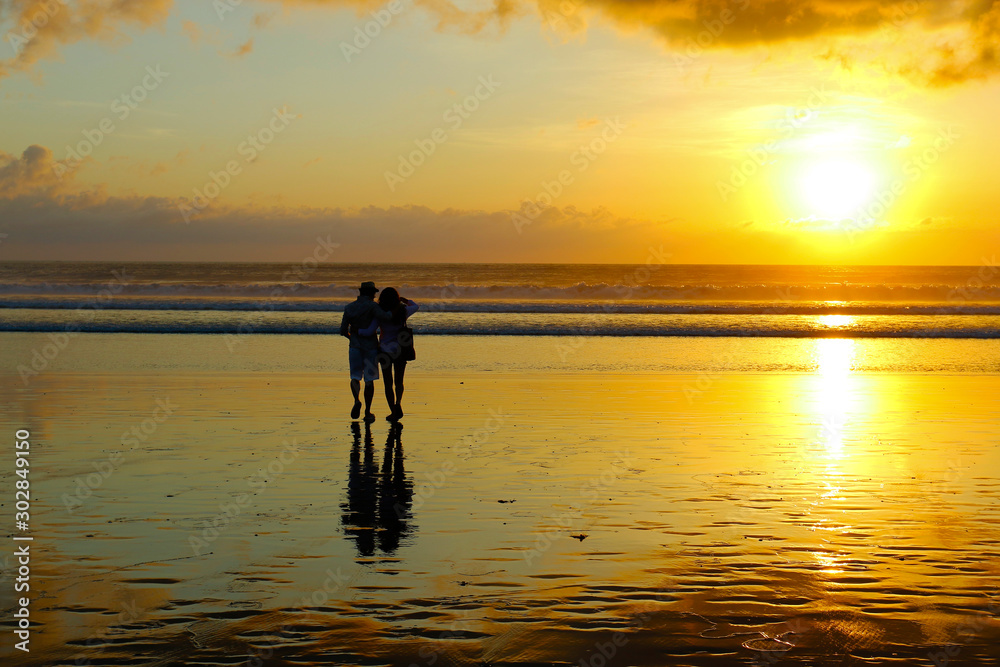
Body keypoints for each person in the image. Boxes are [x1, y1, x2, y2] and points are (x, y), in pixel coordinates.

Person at [359, 287, 419, 421]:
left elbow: (369, 331)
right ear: (397, 298)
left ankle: (393, 410)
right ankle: (398, 404)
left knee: (388, 383)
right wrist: (406, 300)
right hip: (401, 351)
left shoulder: (380, 313)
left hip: (385, 352)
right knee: (399, 381)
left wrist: (357, 331)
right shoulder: (403, 311)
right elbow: (416, 306)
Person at [340, 281, 393, 422]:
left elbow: (343, 330)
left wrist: (352, 338)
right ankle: (368, 412)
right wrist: (396, 308)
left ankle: (356, 400)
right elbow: (387, 317)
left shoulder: (349, 307)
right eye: (374, 294)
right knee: (369, 380)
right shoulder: (372, 306)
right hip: (370, 347)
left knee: (355, 377)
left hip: (354, 346)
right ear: (371, 293)